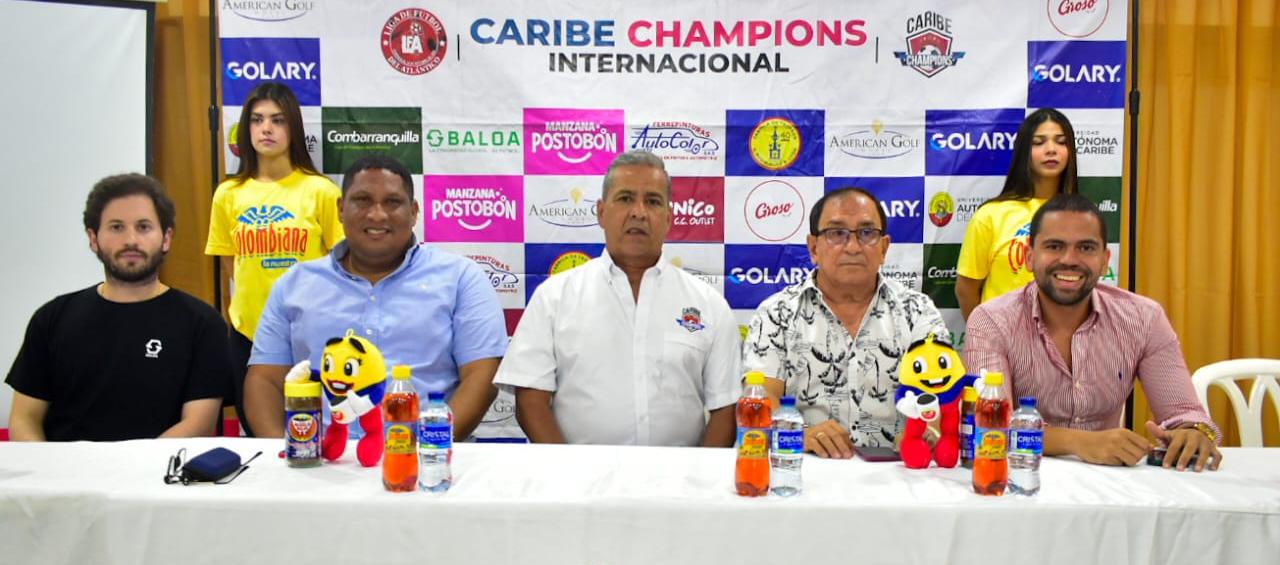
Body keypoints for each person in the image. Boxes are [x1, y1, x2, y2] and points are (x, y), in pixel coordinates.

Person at [243, 154, 506, 441]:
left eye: (392, 202)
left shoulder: (460, 278)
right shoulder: (294, 285)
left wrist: (427, 449)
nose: (377, 214)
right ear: (341, 209)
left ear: (414, 211)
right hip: (319, 466)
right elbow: (264, 380)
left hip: (429, 463)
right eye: (362, 200)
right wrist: (288, 456)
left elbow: (482, 375)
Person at [495, 150, 740, 447]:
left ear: (669, 217)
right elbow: (530, 401)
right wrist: (568, 477)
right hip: (578, 483)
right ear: (600, 212)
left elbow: (726, 409)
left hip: (678, 487)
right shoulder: (555, 297)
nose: (638, 212)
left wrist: (696, 484)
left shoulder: (709, 304)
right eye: (625, 199)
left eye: (652, 201)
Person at [964, 194, 1222, 471]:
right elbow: (989, 426)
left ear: (1104, 260)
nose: (1069, 260)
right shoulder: (990, 320)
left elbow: (1185, 412)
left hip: (1111, 487)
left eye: (1086, 248)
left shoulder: (1144, 318)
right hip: (1020, 479)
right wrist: (1080, 443)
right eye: (1054, 246)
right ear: (1029, 257)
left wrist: (1191, 431)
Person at [6, 174, 230, 441]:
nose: (131, 240)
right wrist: (51, 473)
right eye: (116, 227)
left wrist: (133, 474)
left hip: (155, 477)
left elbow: (199, 425)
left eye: (144, 227)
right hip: (64, 477)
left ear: (166, 238)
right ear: (93, 238)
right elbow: (24, 419)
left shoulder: (202, 323)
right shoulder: (52, 318)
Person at [743, 187, 950, 458]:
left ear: (884, 247)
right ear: (814, 248)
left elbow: (941, 398)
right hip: (802, 475)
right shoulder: (776, 313)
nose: (852, 247)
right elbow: (760, 400)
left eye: (867, 233)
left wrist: (926, 432)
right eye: (836, 233)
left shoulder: (917, 312)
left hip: (898, 475)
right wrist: (800, 434)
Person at [206, 82, 344, 436]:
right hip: (248, 335)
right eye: (257, 120)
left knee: (315, 430)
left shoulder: (321, 191)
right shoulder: (227, 194)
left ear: (293, 128)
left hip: (308, 333)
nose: (265, 129)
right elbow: (229, 266)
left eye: (277, 120)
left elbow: (342, 266)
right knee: (260, 433)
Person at [956, 108, 1079, 320]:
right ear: (1023, 151)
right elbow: (966, 289)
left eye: (1061, 141)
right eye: (1039, 142)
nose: (1051, 149)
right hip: (1002, 344)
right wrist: (985, 337)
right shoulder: (991, 215)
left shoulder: (1082, 216)